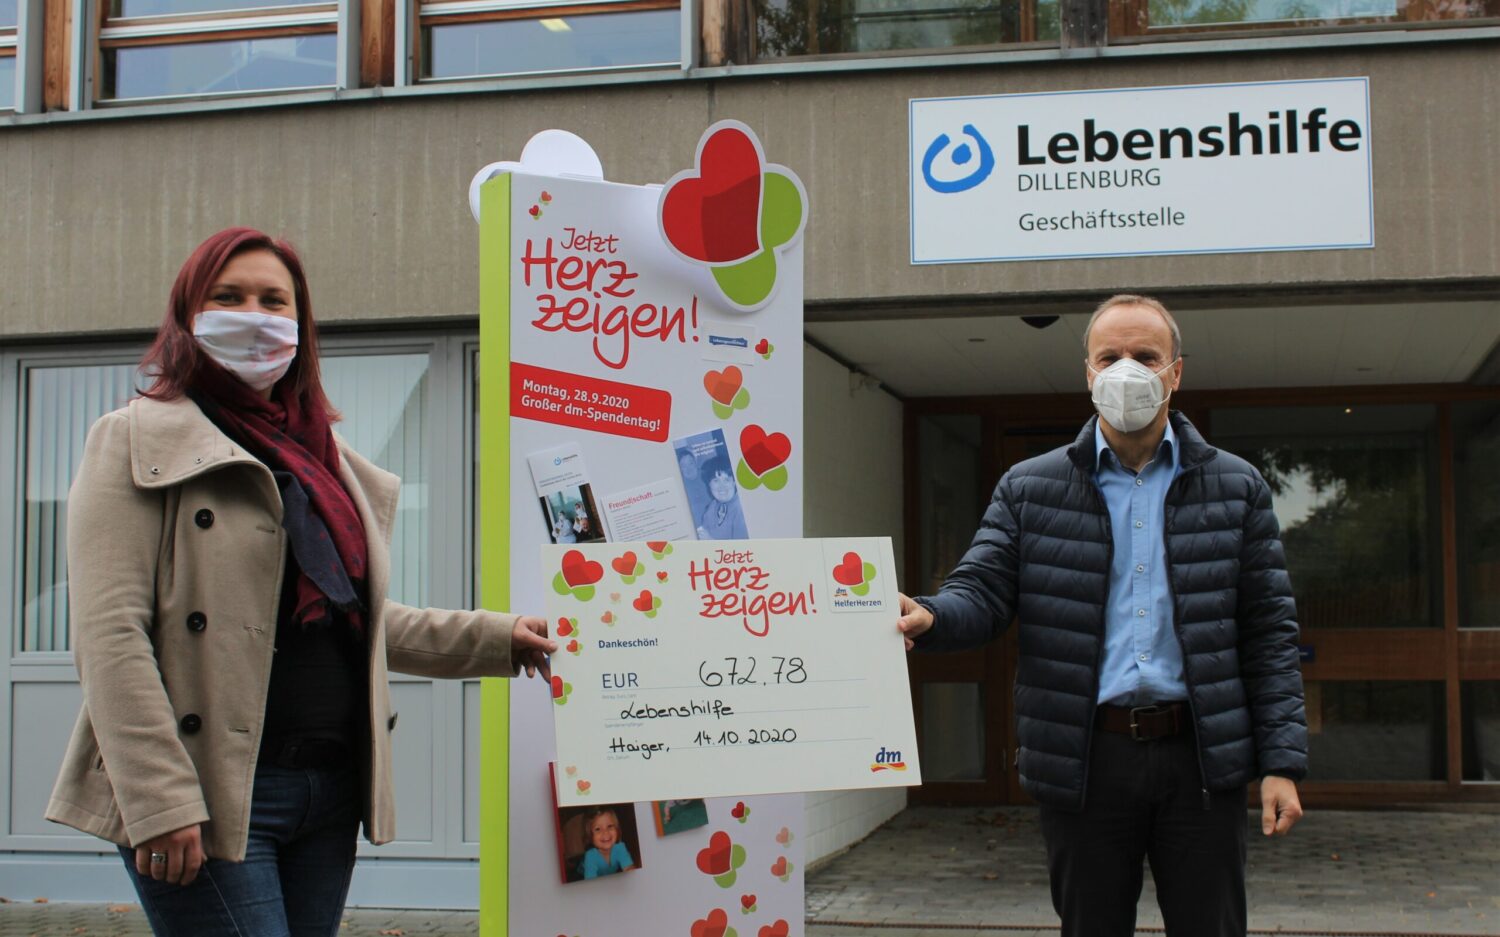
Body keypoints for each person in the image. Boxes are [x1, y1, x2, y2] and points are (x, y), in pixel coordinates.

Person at [45, 227, 557, 937]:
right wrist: (159, 802)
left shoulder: (325, 460)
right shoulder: (133, 438)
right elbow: (109, 633)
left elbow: (360, 620)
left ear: (300, 322)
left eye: (273, 299)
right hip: (212, 789)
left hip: (328, 792)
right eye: (229, 296)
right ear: (188, 314)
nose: (254, 314)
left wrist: (499, 636)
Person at [897, 294, 1308, 937]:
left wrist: (1282, 762)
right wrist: (929, 615)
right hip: (1086, 760)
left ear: (1176, 372)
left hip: (1200, 760)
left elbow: (1269, 635)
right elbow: (981, 590)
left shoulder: (1238, 488)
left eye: (1145, 356)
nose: (1126, 370)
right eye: (1109, 356)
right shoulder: (1029, 487)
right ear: (1088, 374)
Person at [695, 460, 749, 540]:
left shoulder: (742, 509)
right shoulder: (713, 506)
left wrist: (711, 541)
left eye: (726, 480)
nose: (721, 486)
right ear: (709, 484)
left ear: (734, 482)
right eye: (716, 481)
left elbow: (743, 550)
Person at [578, 807, 635, 879]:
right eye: (598, 829)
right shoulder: (590, 856)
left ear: (617, 829)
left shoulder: (620, 848)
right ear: (590, 835)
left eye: (610, 826)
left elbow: (629, 867)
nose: (605, 832)